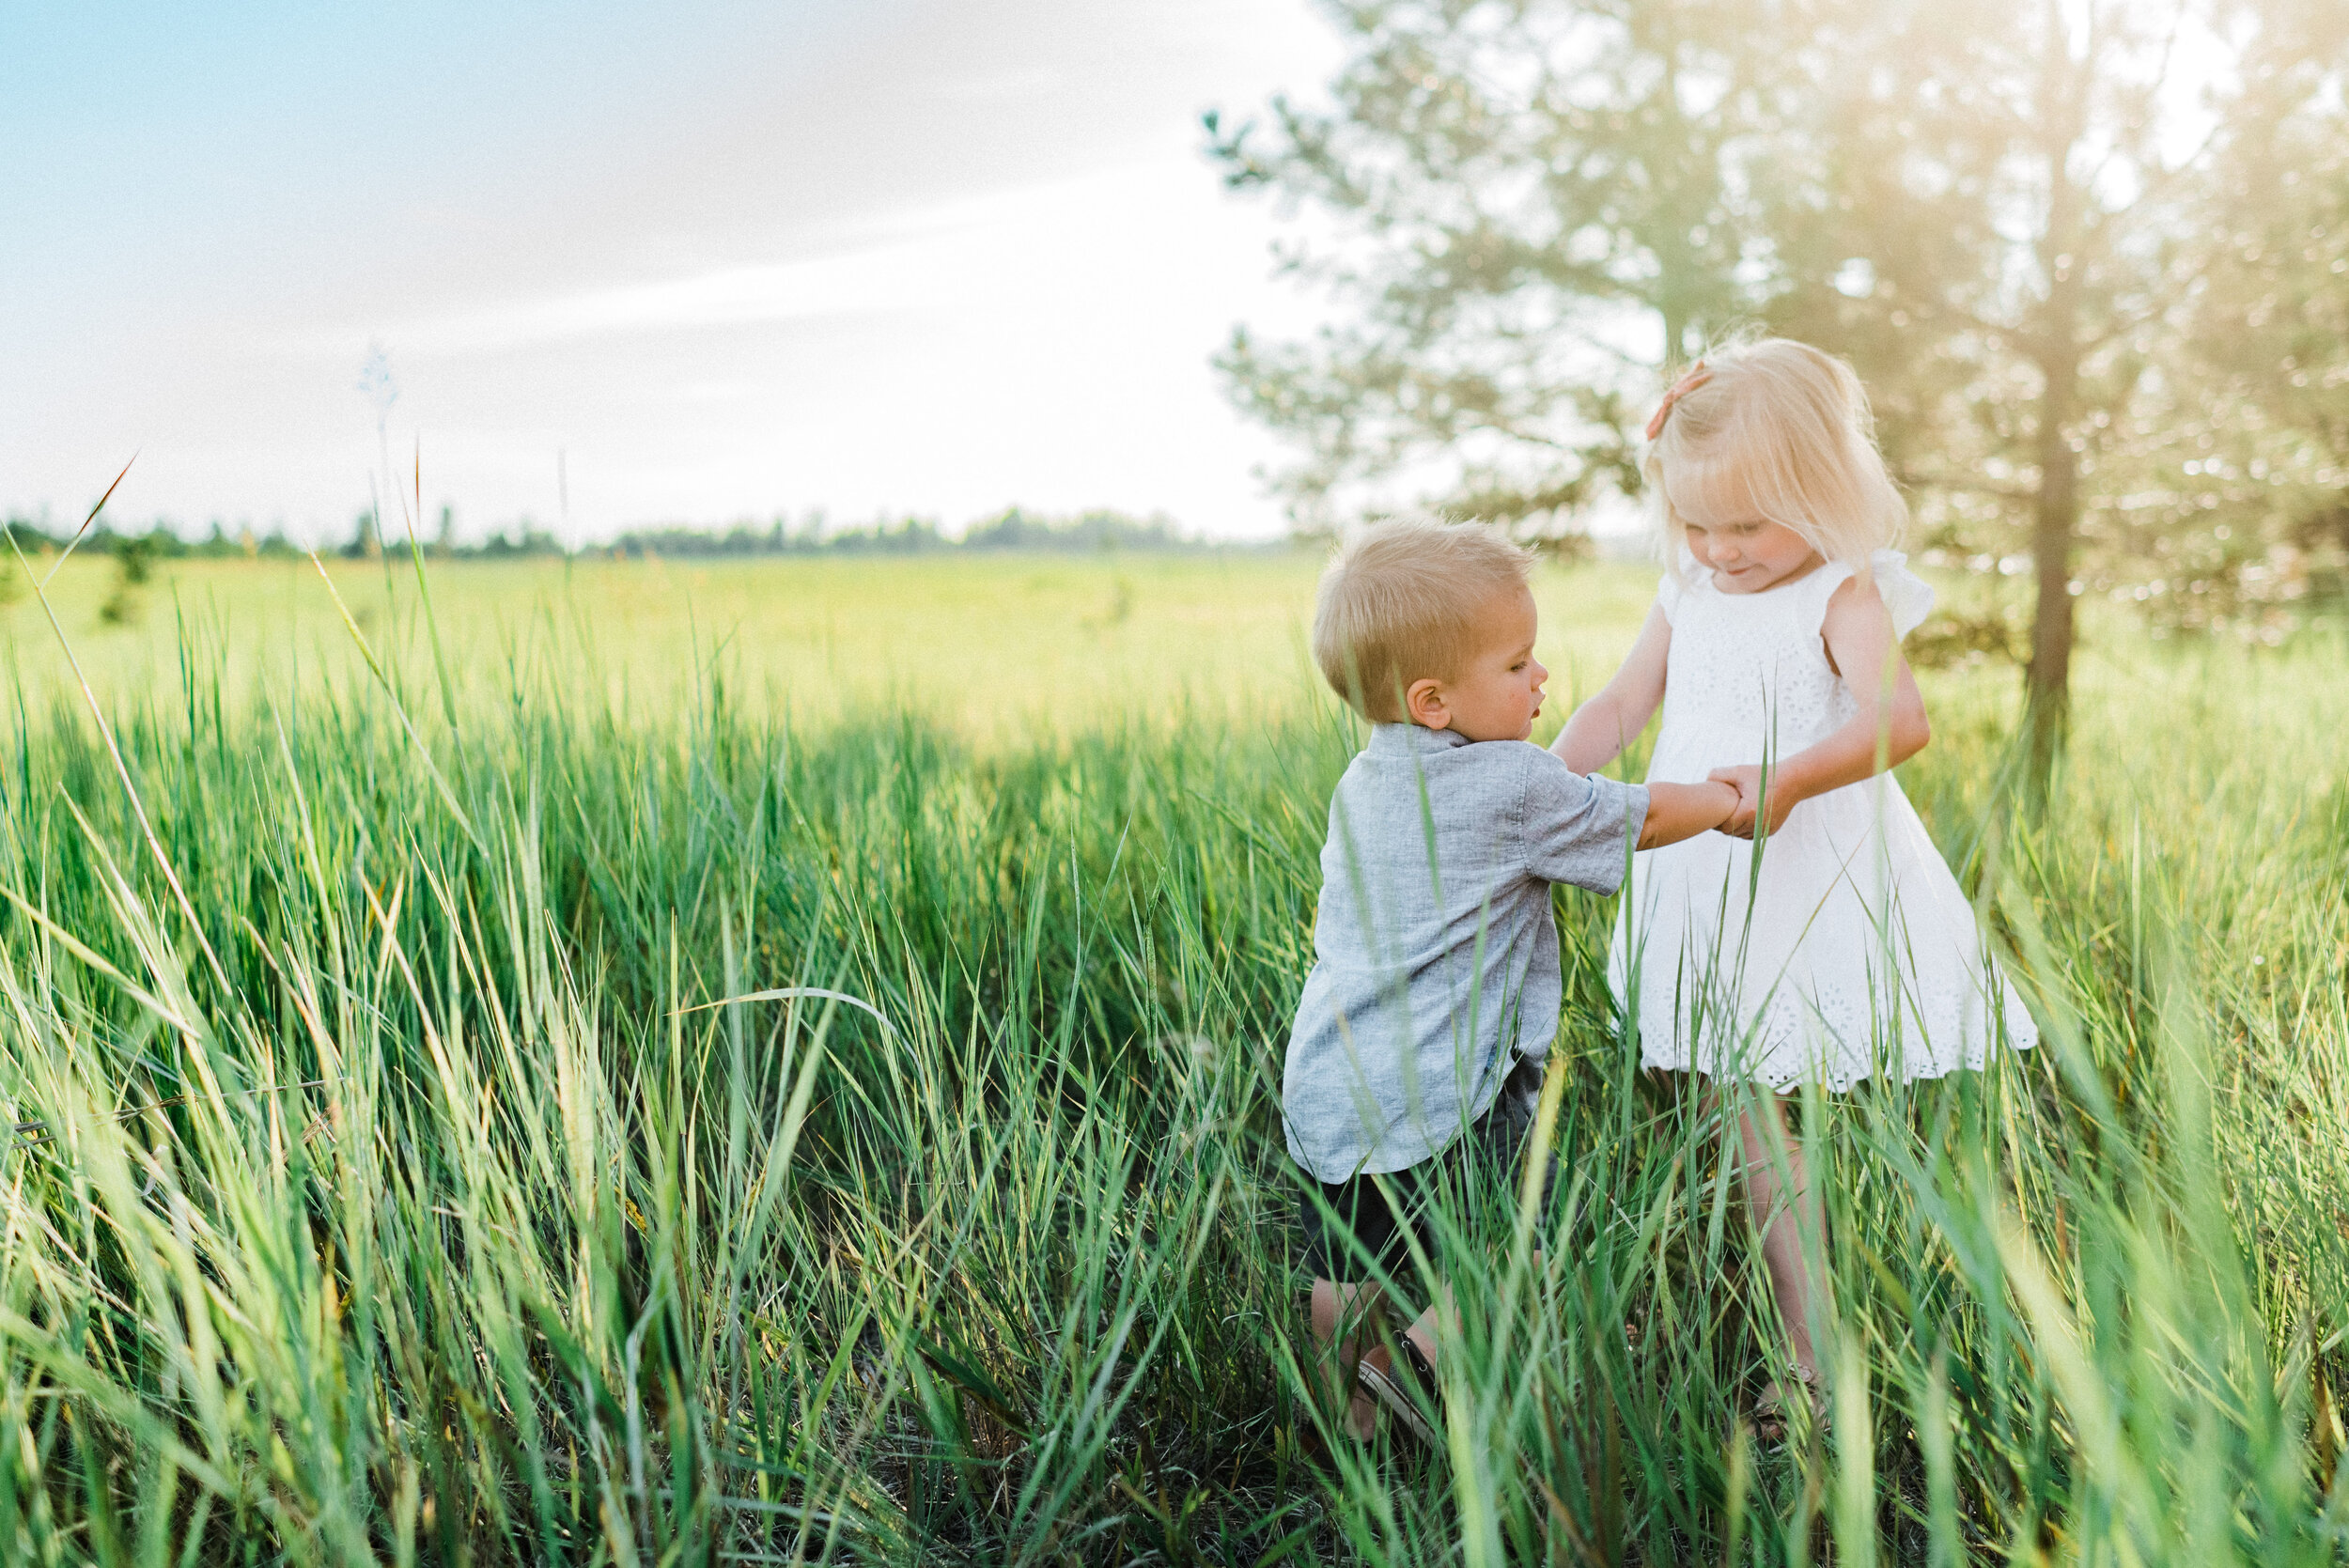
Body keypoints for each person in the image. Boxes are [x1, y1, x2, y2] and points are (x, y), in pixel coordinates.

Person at [1551, 336, 2039, 1437]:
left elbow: (1896, 720)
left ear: (1819, 494)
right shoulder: (1688, 587)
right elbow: (1623, 701)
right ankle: (1802, 1335)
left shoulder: (1839, 588)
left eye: (1746, 525)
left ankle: (1847, 1349)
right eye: (1697, 523)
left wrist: (1786, 777)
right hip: (1707, 872)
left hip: (1814, 864)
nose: (1720, 551)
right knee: (1742, 1103)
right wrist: (1543, 785)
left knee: (1833, 1088)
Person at [1283, 517, 1743, 1443]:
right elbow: (1637, 818)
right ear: (1434, 698)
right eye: (1516, 664)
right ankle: (1412, 1370)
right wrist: (1730, 799)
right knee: (1504, 1251)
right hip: (1451, 1091)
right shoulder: (1511, 785)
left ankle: (1341, 1418)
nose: (1542, 678)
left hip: (1334, 1078)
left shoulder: (1366, 779)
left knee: (1346, 1262)